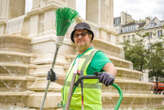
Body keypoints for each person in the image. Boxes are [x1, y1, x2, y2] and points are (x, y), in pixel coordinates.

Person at [47, 22, 117, 110]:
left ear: (90, 36)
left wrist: (110, 75)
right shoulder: (77, 58)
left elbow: (111, 67)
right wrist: (55, 78)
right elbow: (71, 82)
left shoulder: (95, 54)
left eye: (83, 34)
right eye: (76, 35)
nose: (79, 37)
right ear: (73, 39)